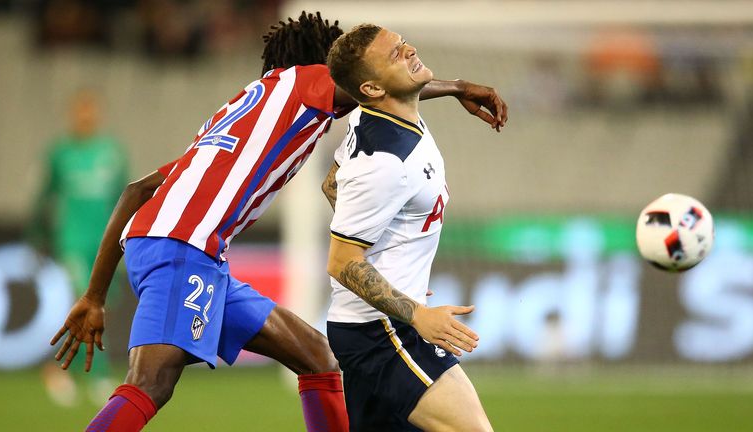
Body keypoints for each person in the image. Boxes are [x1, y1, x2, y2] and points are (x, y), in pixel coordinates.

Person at [49, 12, 506, 432]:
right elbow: (381, 84)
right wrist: (460, 87)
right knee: (151, 382)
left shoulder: (243, 112)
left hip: (197, 255)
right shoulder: (301, 82)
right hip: (181, 245)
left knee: (317, 358)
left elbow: (137, 191)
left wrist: (94, 296)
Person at [323, 24, 496, 431]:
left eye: (402, 44)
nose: (411, 50)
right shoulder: (384, 164)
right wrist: (415, 312)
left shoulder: (375, 118)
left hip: (375, 326)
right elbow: (341, 261)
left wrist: (456, 87)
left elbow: (332, 183)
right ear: (371, 89)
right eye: (396, 54)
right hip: (381, 333)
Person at [29, 89, 128, 407]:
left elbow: (125, 200)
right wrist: (36, 237)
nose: (85, 116)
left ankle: (56, 369)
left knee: (102, 307)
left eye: (90, 111)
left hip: (105, 241)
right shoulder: (60, 154)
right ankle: (98, 377)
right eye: (80, 111)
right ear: (73, 115)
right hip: (71, 239)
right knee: (85, 299)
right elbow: (44, 197)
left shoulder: (112, 152)